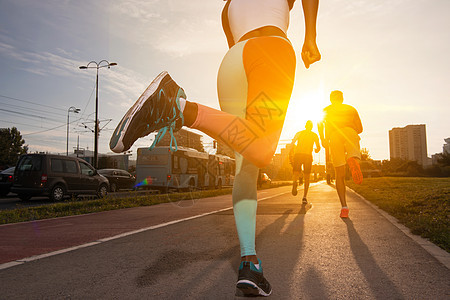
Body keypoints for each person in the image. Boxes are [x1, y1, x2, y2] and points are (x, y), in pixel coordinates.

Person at [110, 0, 320, 296]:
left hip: (231, 66)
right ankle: (179, 108)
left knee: (246, 167)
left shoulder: (227, 8)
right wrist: (310, 35)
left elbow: (235, 43)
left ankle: (250, 262)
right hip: (270, 51)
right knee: (260, 150)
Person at [318, 90, 363, 218]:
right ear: (342, 99)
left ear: (331, 99)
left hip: (334, 135)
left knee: (339, 174)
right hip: (350, 132)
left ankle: (344, 207)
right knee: (353, 153)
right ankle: (353, 159)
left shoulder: (326, 109)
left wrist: (323, 139)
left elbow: (320, 124)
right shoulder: (351, 109)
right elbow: (360, 129)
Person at [290, 120, 320, 204]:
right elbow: (318, 147)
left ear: (305, 126)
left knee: (296, 172)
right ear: (311, 127)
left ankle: (295, 182)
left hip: (298, 154)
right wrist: (317, 150)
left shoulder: (299, 133)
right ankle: (304, 197)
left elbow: (292, 143)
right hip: (307, 155)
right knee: (307, 176)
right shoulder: (314, 135)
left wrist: (291, 153)